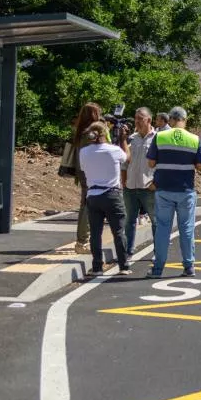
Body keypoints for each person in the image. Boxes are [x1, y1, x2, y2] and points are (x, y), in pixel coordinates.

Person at [147, 106, 201, 278]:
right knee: (186, 229)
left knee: (163, 229)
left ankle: (158, 268)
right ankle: (189, 267)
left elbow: (151, 163)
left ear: (171, 120)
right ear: (184, 120)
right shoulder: (194, 139)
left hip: (164, 190)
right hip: (185, 190)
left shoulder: (160, 136)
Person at [77, 121, 130, 275]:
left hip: (93, 195)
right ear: (105, 134)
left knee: (95, 233)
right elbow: (127, 157)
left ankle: (97, 267)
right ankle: (123, 266)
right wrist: (123, 139)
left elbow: (83, 168)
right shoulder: (114, 150)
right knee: (118, 231)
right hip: (112, 195)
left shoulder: (84, 152)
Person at [64, 102, 102, 253]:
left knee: (85, 204)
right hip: (90, 173)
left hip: (82, 171)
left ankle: (83, 239)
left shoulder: (80, 131)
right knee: (87, 205)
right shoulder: (91, 133)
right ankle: (82, 241)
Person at [122, 107, 156, 255]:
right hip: (130, 187)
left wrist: (156, 183)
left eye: (140, 118)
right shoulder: (131, 139)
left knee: (156, 221)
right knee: (129, 221)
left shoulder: (158, 139)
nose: (137, 121)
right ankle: (128, 250)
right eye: (135, 118)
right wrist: (124, 181)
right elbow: (124, 162)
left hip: (149, 188)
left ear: (149, 120)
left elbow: (161, 164)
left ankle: (158, 251)